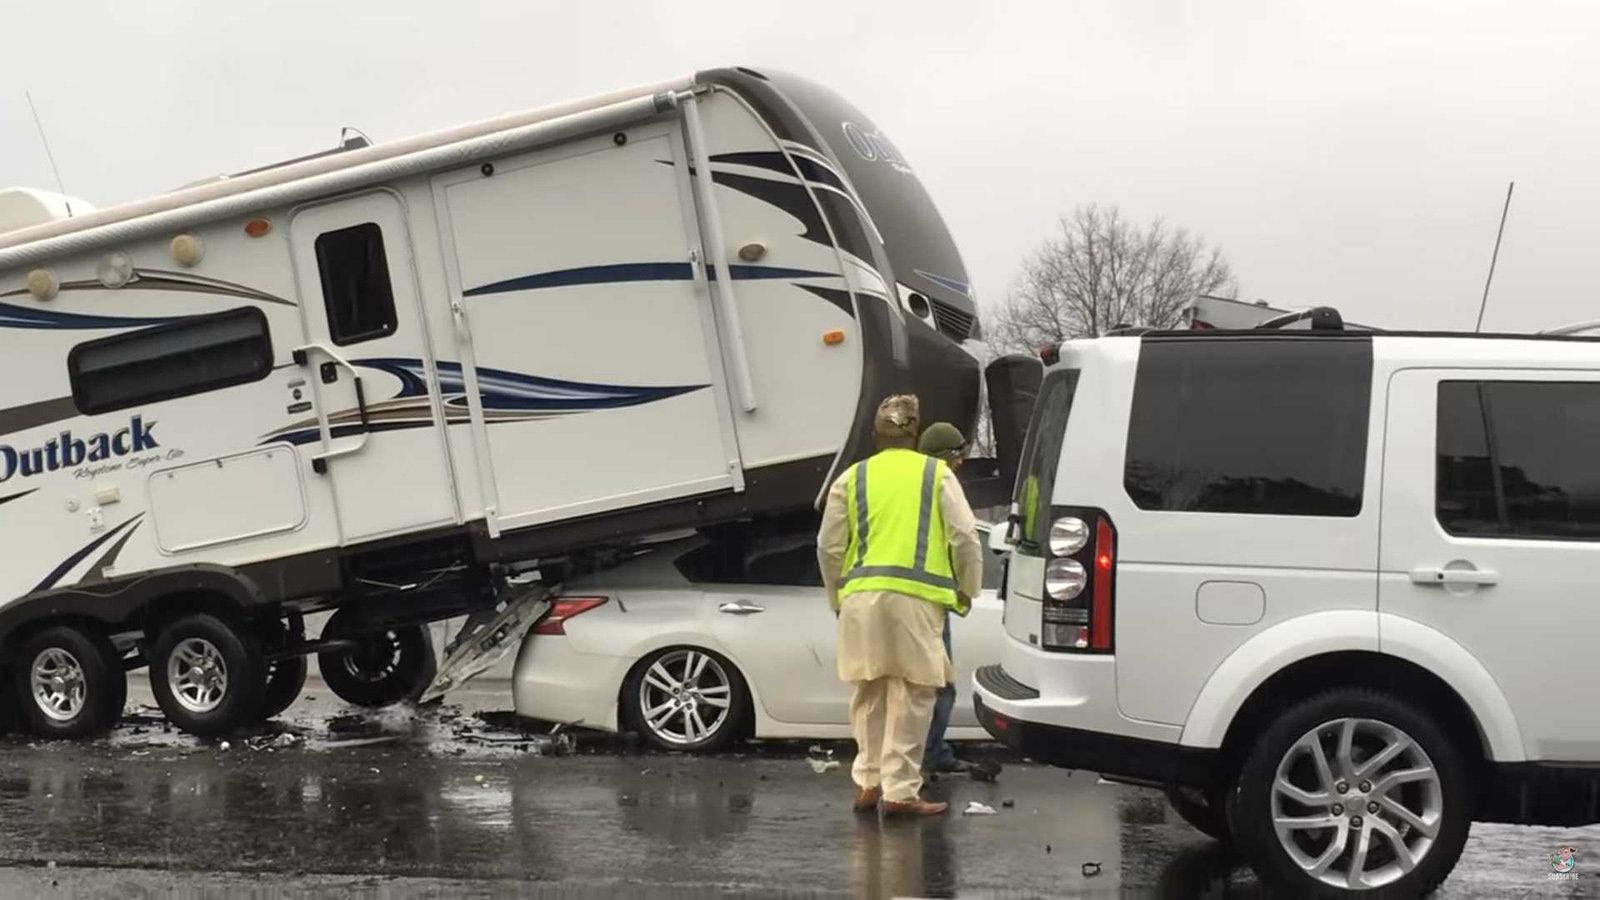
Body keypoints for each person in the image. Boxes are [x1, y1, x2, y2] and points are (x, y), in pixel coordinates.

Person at [818, 396, 983, 817]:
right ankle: (900, 791)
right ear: (914, 434)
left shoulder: (851, 478)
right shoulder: (936, 474)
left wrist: (838, 595)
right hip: (916, 601)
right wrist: (968, 589)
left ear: (875, 436)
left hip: (860, 599)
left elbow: (828, 546)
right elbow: (965, 536)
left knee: (868, 689)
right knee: (914, 693)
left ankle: (867, 783)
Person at [915, 422, 968, 776]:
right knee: (940, 684)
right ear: (946, 457)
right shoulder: (940, 483)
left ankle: (888, 766)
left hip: (884, 596)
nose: (961, 464)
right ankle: (932, 753)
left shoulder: (903, 483)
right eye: (959, 456)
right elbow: (963, 538)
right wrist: (966, 590)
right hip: (929, 599)